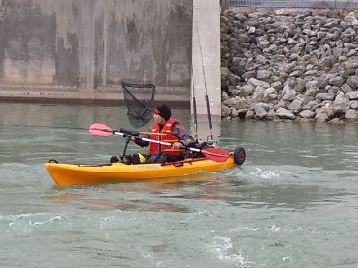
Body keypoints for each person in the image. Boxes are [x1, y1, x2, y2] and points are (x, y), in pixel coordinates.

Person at [111, 104, 196, 164]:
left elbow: (190, 140)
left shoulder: (175, 127)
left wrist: (181, 143)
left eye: (156, 114)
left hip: (171, 158)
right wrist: (134, 139)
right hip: (154, 157)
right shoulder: (153, 128)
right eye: (154, 114)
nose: (153, 116)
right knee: (139, 156)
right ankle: (125, 160)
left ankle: (145, 164)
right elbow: (144, 141)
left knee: (161, 156)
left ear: (163, 116)